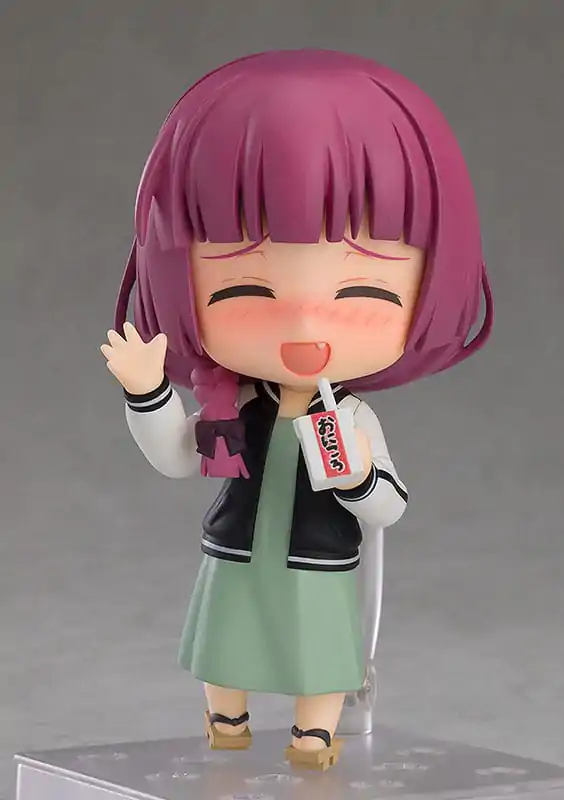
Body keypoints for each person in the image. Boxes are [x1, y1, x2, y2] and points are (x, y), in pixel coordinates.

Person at [101, 49, 493, 771]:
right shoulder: (230, 402)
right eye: (245, 292)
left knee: (319, 649)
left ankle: (314, 734)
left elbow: (389, 508)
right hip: (237, 549)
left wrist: (360, 477)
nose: (307, 326)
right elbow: (178, 457)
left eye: (363, 295)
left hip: (319, 558)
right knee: (228, 636)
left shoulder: (353, 419)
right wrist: (146, 392)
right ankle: (227, 716)